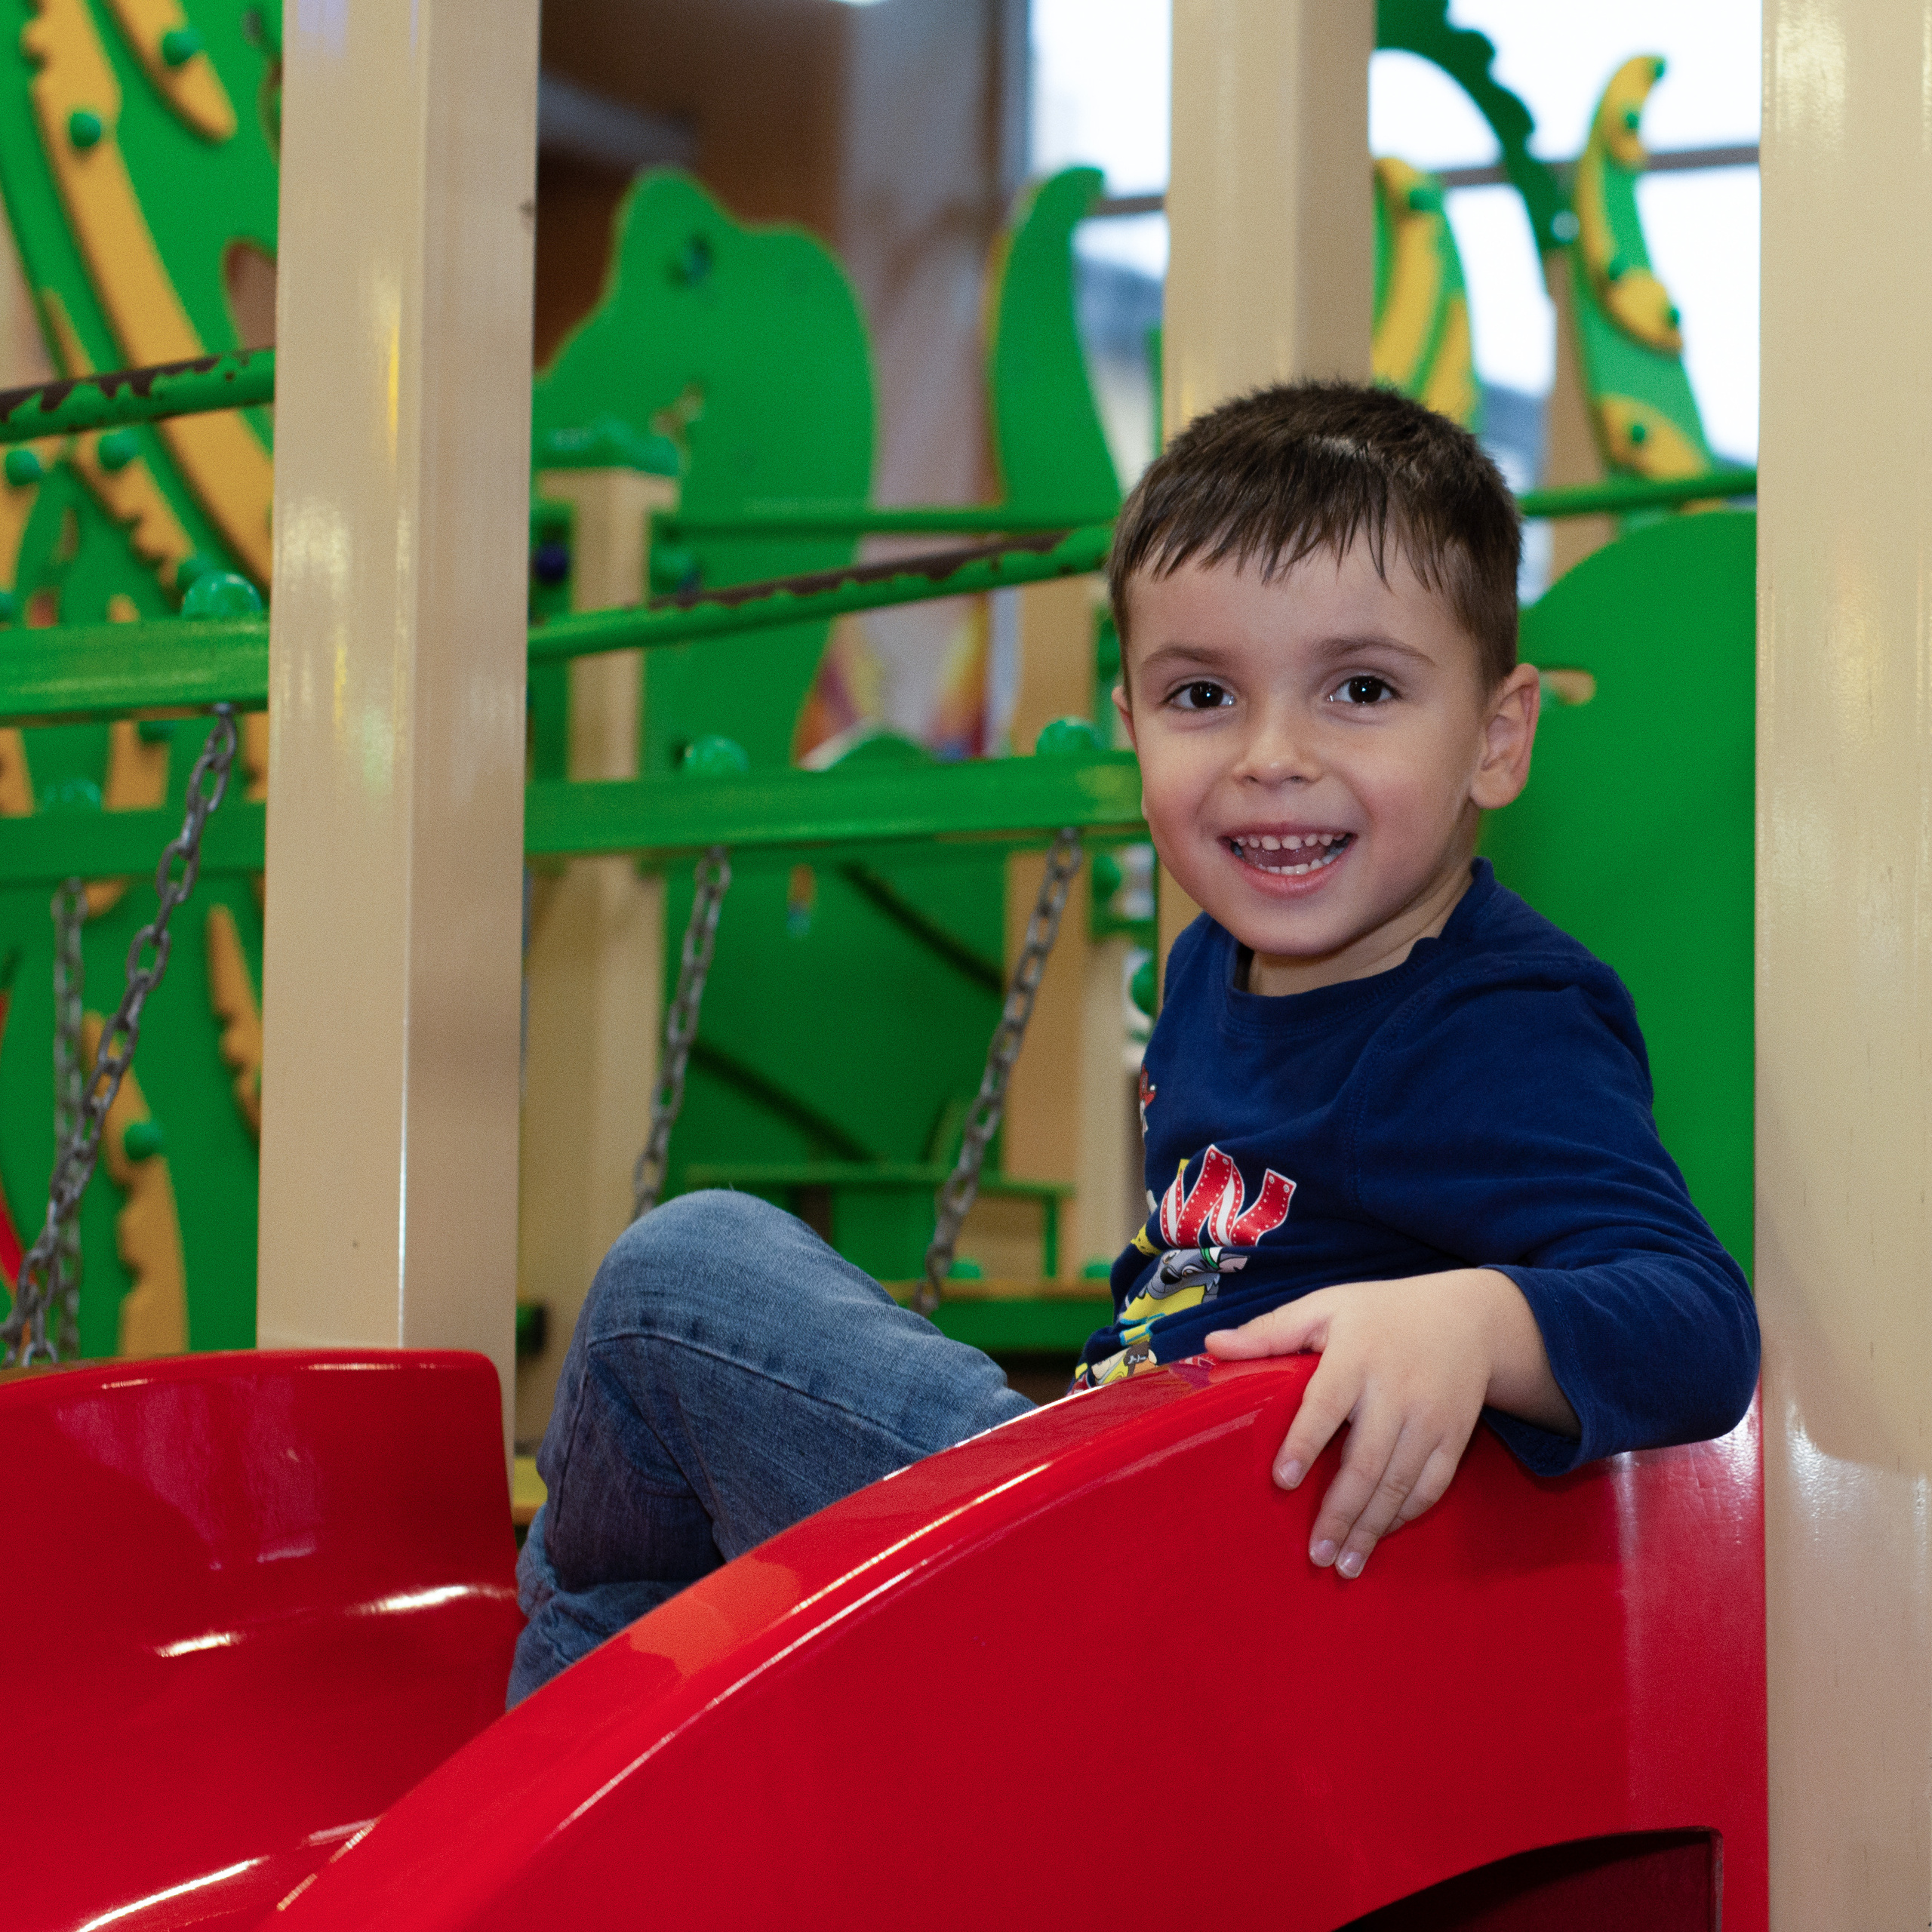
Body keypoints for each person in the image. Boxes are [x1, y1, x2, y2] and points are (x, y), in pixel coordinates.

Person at [506, 381, 1759, 1708]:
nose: (1274, 756)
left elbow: (1698, 1327)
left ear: (1496, 738)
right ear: (1132, 722)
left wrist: (1475, 1320)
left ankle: (565, 1724)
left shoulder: (1495, 1017)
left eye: (1362, 688)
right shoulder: (1214, 970)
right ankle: (615, 1733)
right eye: (1205, 693)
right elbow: (1190, 1277)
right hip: (1124, 1511)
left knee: (680, 1285)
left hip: (1215, 1578)